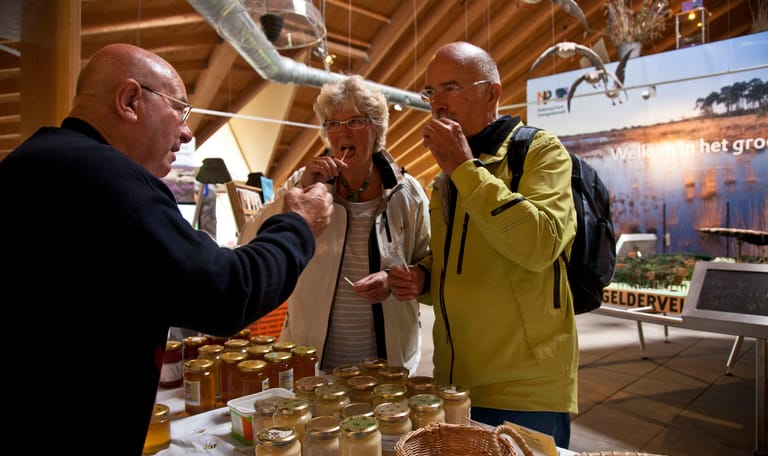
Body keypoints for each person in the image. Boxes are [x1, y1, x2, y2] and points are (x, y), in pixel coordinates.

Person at [0, 43, 332, 455]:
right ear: (129, 101)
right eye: (180, 109)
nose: (187, 131)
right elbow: (228, 291)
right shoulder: (112, 182)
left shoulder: (27, 162)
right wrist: (298, 224)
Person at [389, 41, 578, 448]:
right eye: (430, 92)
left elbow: (540, 243)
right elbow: (456, 262)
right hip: (455, 384)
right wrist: (421, 277)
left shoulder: (540, 151)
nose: (437, 103)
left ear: (492, 92)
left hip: (526, 390)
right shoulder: (447, 177)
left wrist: (462, 168)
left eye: (451, 88)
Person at [239, 75, 431, 373]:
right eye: (333, 123)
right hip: (312, 360)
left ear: (376, 128)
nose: (343, 132)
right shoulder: (302, 186)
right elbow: (248, 241)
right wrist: (298, 194)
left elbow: (426, 265)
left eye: (355, 121)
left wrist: (396, 282)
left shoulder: (407, 192)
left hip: (389, 365)